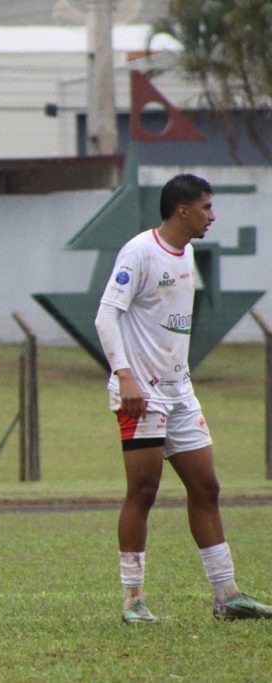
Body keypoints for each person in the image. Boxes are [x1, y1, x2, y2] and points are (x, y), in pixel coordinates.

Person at [94, 173, 272, 624]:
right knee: (144, 491)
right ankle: (133, 600)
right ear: (183, 210)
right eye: (207, 208)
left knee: (207, 488)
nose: (213, 216)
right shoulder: (139, 252)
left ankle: (226, 595)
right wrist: (126, 375)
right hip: (142, 393)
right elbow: (106, 316)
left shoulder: (187, 252)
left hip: (179, 391)